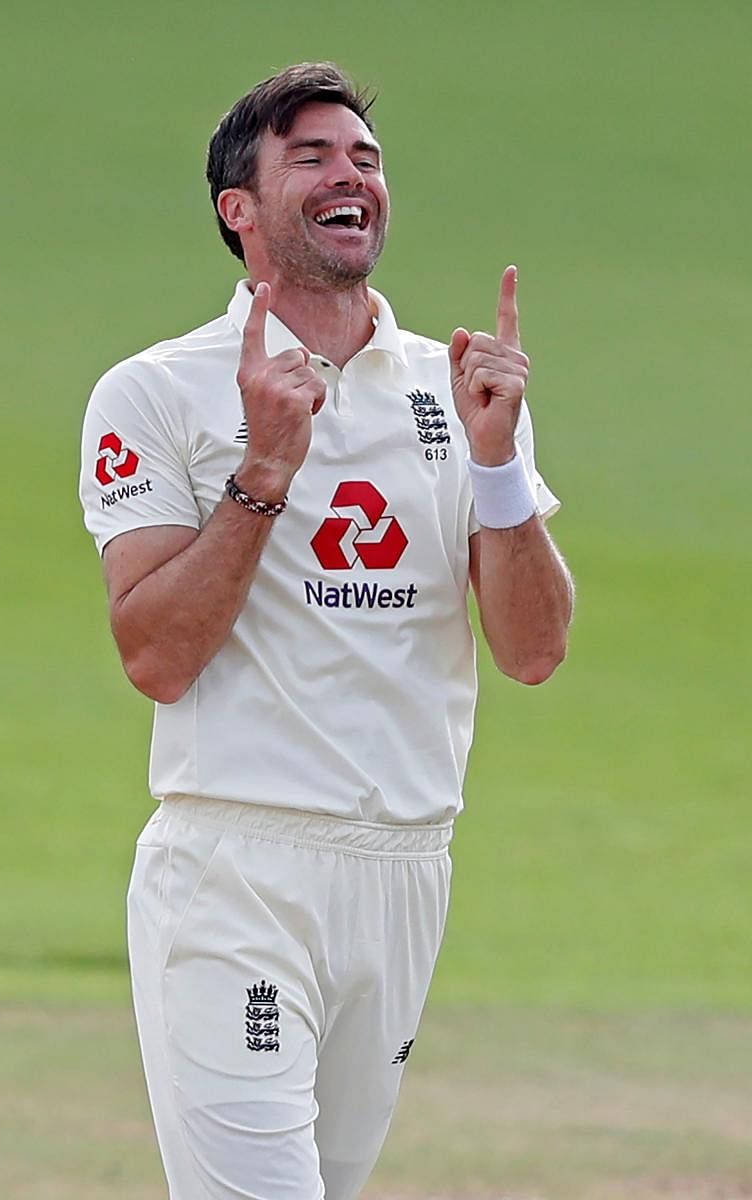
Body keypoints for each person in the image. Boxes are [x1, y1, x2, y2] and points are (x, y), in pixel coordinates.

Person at [79, 61, 573, 1200]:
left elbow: (532, 651)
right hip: (237, 869)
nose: (350, 174)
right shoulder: (155, 392)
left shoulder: (454, 391)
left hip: (405, 872)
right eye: (309, 156)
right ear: (237, 211)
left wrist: (496, 470)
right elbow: (154, 655)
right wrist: (263, 469)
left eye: (364, 157)